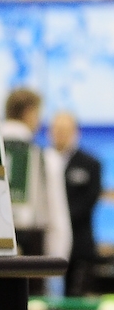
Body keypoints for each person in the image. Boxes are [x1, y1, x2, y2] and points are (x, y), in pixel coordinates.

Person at [3, 87, 72, 291]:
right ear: (29, 113)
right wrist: (56, 266)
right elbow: (58, 220)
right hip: (32, 257)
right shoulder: (47, 159)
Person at [50, 110, 104, 295]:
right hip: (48, 244)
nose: (60, 134)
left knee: (76, 298)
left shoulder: (90, 164)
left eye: (64, 129)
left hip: (79, 246)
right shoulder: (43, 161)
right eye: (56, 129)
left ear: (74, 132)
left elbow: (89, 201)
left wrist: (60, 219)